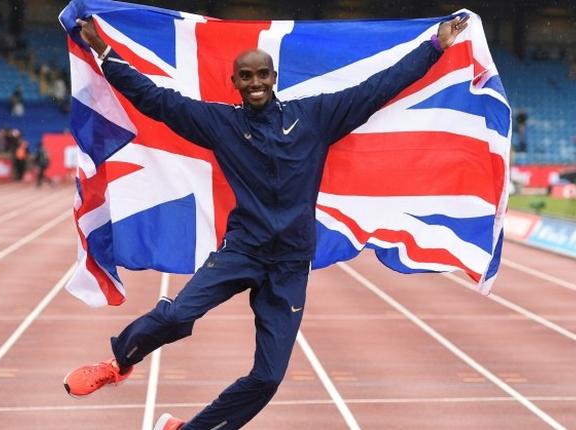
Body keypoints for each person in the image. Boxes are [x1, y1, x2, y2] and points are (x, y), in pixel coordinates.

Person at [66, 14, 468, 430]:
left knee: (268, 379)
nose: (255, 82)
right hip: (243, 251)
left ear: (273, 77)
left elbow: (378, 89)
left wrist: (434, 47)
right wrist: (106, 54)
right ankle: (118, 363)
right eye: (246, 76)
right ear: (235, 83)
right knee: (175, 317)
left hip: (291, 264)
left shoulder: (315, 117)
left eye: (262, 74)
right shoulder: (222, 124)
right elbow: (157, 100)